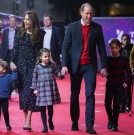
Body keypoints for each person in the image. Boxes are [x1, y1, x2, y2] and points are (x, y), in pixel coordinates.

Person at [61, 3, 107, 134]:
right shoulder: (71, 27)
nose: (89, 16)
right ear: (81, 13)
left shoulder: (97, 28)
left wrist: (104, 66)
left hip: (90, 66)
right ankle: (75, 122)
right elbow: (65, 47)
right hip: (75, 66)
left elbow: (102, 49)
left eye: (91, 13)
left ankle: (89, 125)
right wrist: (64, 64)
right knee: (74, 95)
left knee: (90, 94)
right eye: (87, 13)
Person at [10, 11, 45, 130]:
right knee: (22, 93)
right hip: (20, 66)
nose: (25, 21)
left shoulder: (39, 34)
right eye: (24, 19)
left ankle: (28, 120)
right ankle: (26, 118)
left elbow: (39, 52)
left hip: (33, 66)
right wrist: (12, 62)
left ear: (33, 21)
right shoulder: (19, 32)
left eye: (28, 19)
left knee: (30, 92)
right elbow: (15, 49)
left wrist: (40, 65)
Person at [30, 48, 61, 132]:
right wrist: (34, 88)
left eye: (48, 56)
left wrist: (61, 74)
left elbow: (57, 72)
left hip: (50, 89)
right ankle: (45, 126)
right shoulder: (37, 67)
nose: (47, 58)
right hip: (41, 89)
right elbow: (34, 78)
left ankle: (50, 120)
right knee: (42, 108)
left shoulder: (52, 65)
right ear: (41, 57)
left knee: (50, 107)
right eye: (45, 56)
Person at [105, 39, 131, 131]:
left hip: (120, 85)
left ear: (120, 48)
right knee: (107, 103)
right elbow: (104, 69)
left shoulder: (124, 58)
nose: (114, 50)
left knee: (116, 105)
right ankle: (110, 119)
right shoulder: (108, 59)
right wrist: (103, 72)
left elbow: (128, 72)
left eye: (116, 48)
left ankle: (114, 123)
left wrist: (126, 82)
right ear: (110, 49)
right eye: (112, 48)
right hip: (110, 84)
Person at [42, 14, 64, 79]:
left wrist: (62, 54)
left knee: (54, 70)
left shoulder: (57, 30)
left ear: (51, 21)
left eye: (47, 20)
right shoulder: (40, 30)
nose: (46, 21)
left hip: (53, 53)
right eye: (44, 20)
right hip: (42, 52)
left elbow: (62, 43)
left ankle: (57, 73)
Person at [119, 34, 133, 113]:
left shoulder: (131, 47)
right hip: (120, 72)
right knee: (121, 90)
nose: (126, 41)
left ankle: (128, 106)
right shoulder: (119, 47)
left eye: (127, 39)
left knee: (127, 89)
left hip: (128, 72)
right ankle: (122, 106)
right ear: (121, 40)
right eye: (124, 39)